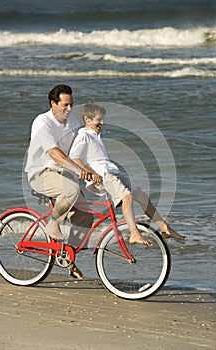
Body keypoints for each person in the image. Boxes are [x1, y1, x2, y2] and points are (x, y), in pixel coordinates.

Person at [69, 102, 187, 245]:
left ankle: (165, 228)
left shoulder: (95, 135)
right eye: (98, 120)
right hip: (103, 175)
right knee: (127, 197)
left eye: (102, 119)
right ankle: (134, 232)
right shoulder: (84, 135)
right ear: (88, 120)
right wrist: (90, 172)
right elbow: (74, 157)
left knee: (142, 196)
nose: (102, 122)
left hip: (112, 171)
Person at [25, 84, 99, 279]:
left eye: (71, 105)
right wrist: (77, 171)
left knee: (85, 217)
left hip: (64, 175)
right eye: (65, 105)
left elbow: (79, 152)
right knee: (72, 189)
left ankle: (66, 257)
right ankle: (53, 223)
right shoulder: (43, 122)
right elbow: (54, 153)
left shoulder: (74, 122)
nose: (69, 109)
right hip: (40, 172)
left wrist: (95, 170)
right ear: (53, 103)